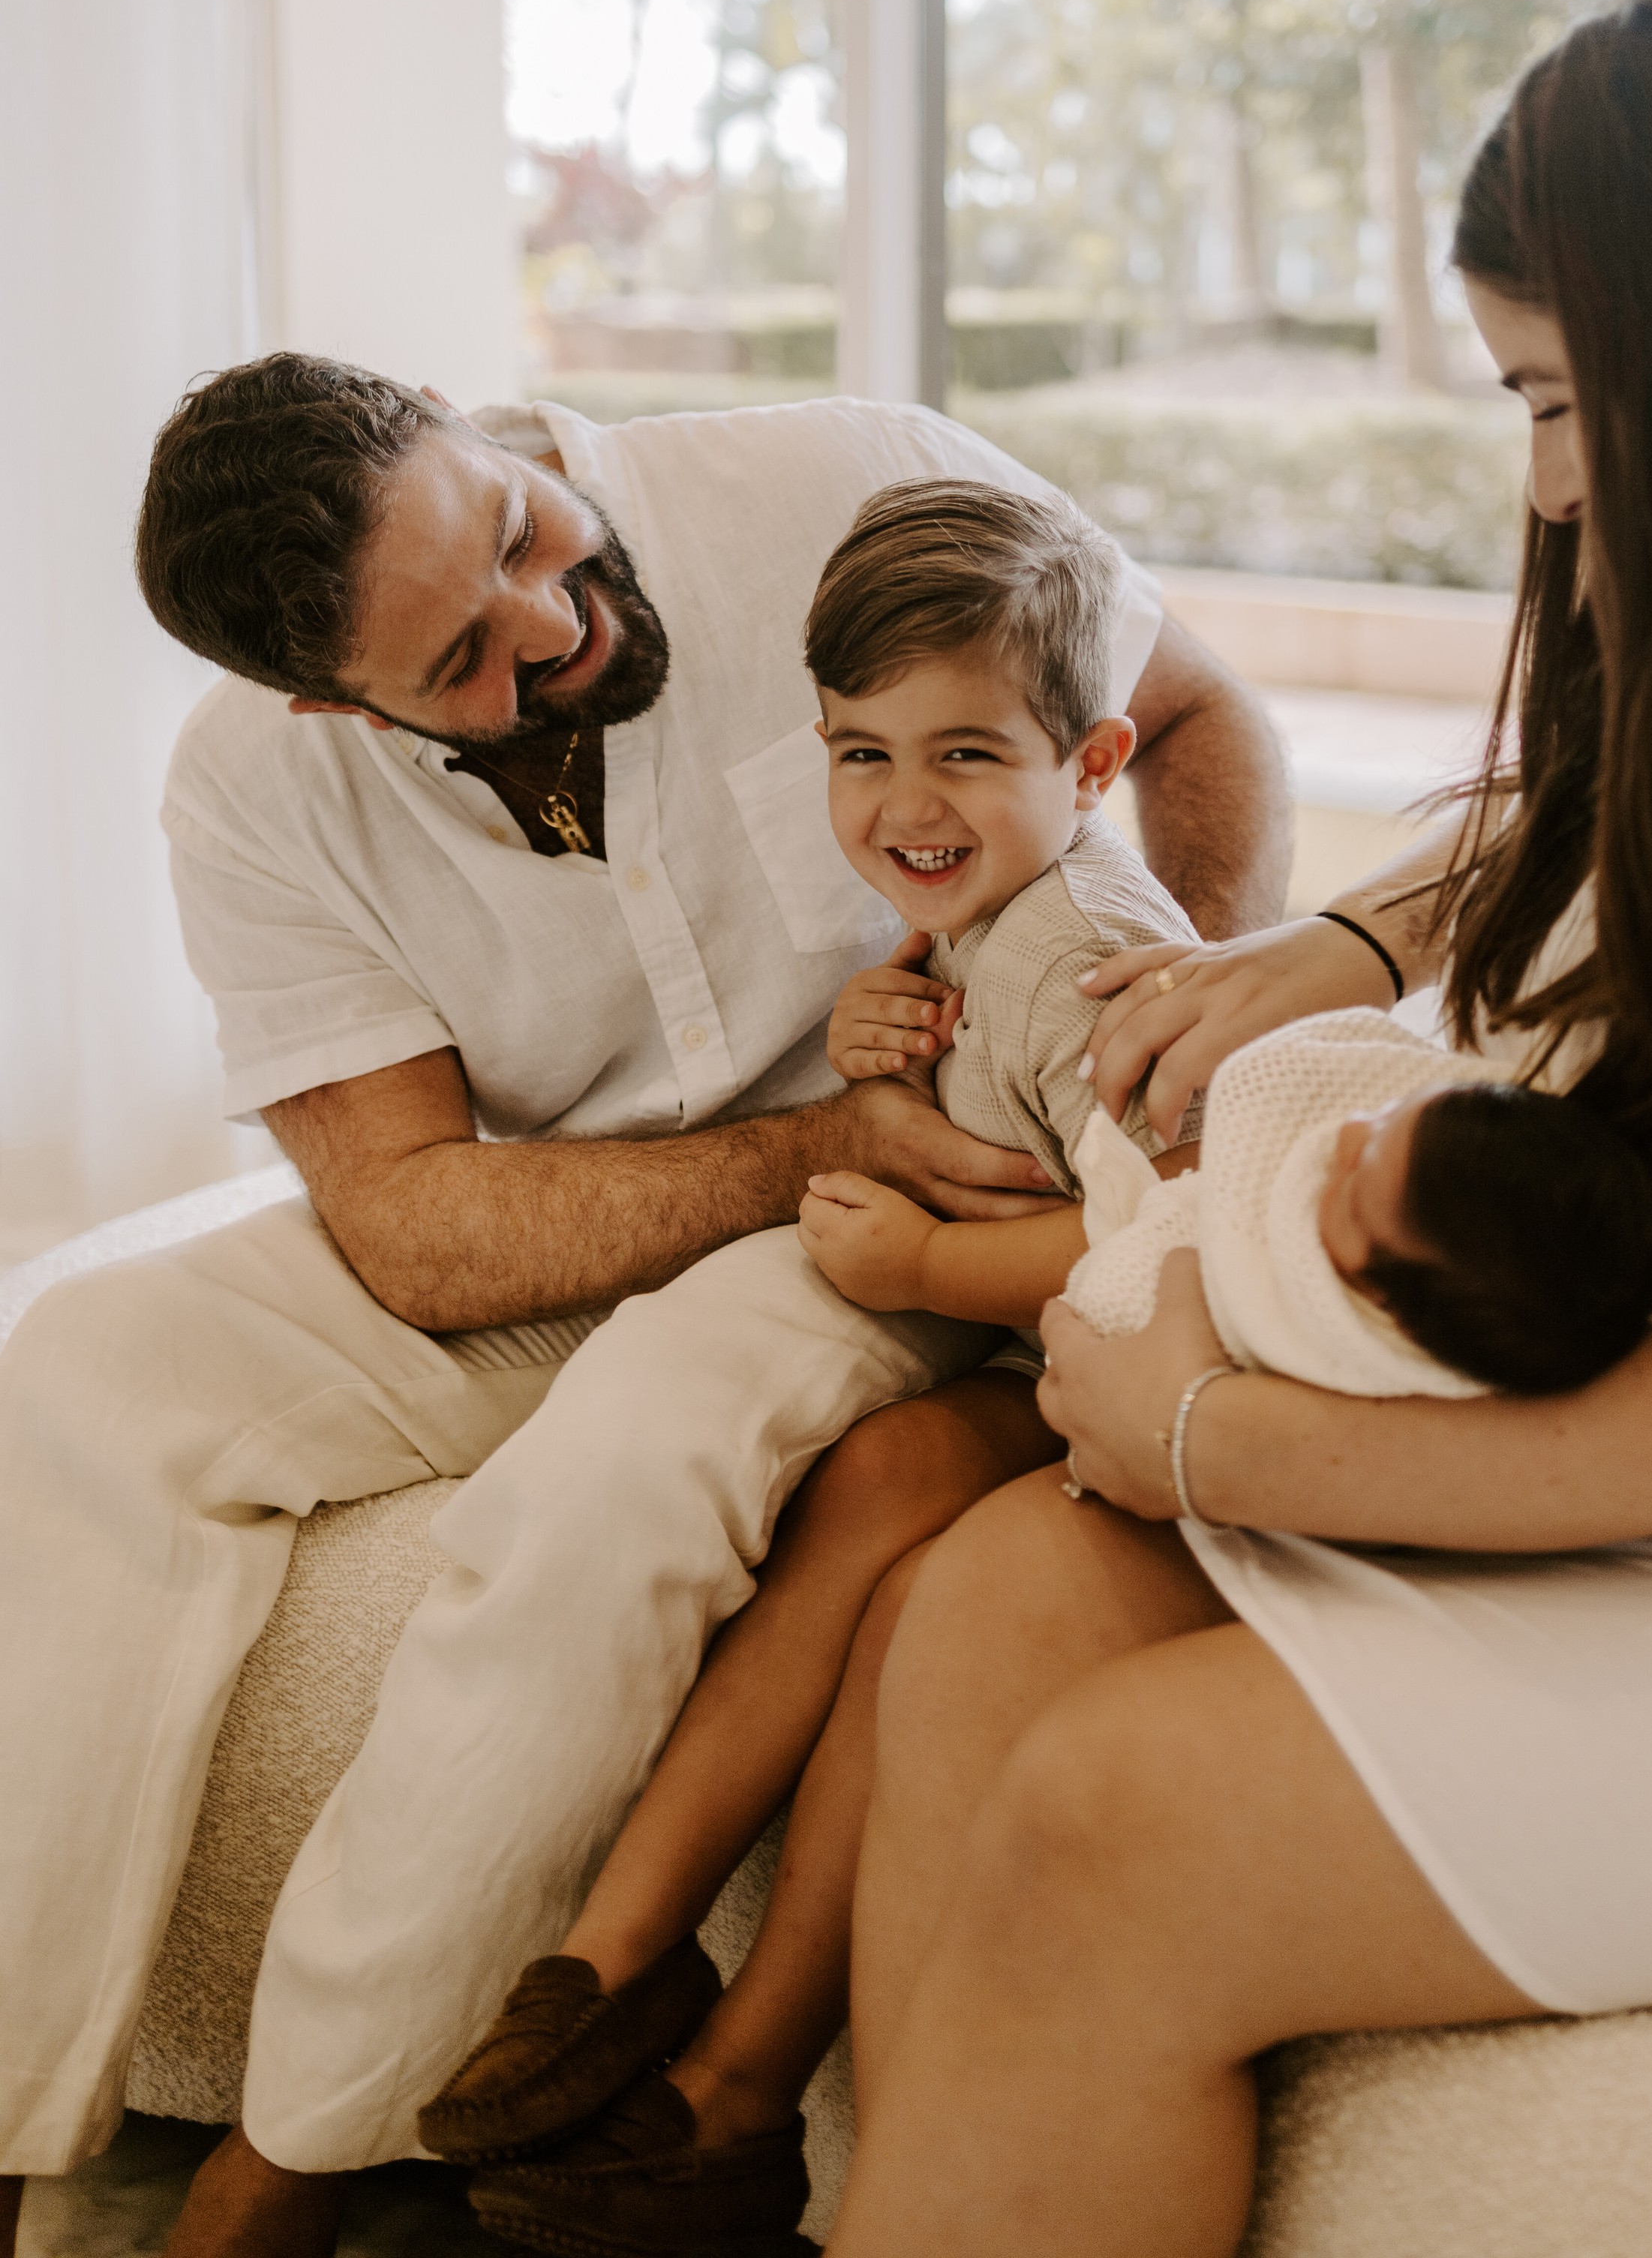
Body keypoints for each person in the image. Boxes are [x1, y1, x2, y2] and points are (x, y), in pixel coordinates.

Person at [821, 0, 1652, 2258]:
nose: (1549, 483)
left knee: (1127, 1819)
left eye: (1567, 400)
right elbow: (1584, 797)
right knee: (997, 1603)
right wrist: (1336, 944)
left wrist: (1207, 1435)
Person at [0, 368, 1288, 2258]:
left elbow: (1190, 713)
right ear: (326, 701)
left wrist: (1148, 1061)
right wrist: (808, 1140)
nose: (551, 615)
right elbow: (417, 1235)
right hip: (573, 1211)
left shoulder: (848, 477)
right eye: (460, 658)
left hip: (906, 1190)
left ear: (464, 423)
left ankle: (289, 2159)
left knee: (614, 1482)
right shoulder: (255, 786)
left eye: (517, 531)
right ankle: (29, 2110)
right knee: (71, 1369)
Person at [417, 477, 1208, 2254]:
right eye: (859, 755)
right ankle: (609, 1970)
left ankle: (667, 2014)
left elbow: (1169, 1241)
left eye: (961, 757)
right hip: (1045, 1353)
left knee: (912, 1568)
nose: (904, 807)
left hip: (1146, 1360)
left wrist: (922, 1257)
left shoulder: (1094, 954)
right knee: (867, 1486)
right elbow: (977, 1023)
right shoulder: (1005, 901)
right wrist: (886, 1038)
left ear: (1093, 764)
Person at [1066, 1007, 1652, 1400]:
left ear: (1387, 1299)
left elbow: (1118, 1296)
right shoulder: (1451, 1161)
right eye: (1385, 1117)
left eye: (1355, 1182)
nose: (1345, 1136)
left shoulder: (1327, 1352)